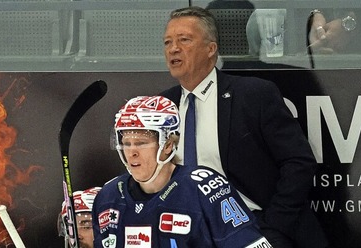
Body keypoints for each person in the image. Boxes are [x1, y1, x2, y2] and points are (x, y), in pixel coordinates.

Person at [159, 6, 327, 248]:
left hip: (252, 226)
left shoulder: (253, 95)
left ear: (211, 49)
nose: (173, 48)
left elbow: (299, 162)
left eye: (184, 40)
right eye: (167, 42)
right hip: (188, 232)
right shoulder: (161, 107)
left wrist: (273, 226)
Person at [92, 95, 271, 247]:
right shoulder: (108, 197)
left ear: (168, 145)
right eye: (126, 143)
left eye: (141, 143)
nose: (132, 153)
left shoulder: (206, 188)